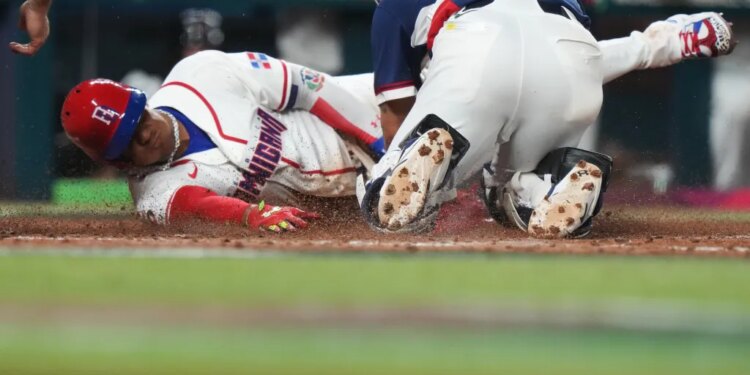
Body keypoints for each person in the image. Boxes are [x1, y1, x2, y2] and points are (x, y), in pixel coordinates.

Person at [360, 0, 736, 237]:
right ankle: (545, 186)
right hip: (571, 61)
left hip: (474, 54)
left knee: (388, 202)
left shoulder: (393, 5)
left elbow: (395, 109)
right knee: (509, 189)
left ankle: (424, 176)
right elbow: (569, 55)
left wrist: (444, 183)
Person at [61, 51, 384, 232]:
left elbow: (308, 86)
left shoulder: (201, 74)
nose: (144, 134)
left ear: (142, 101)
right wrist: (250, 215)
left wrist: (383, 143)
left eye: (139, 119)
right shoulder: (154, 195)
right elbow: (198, 205)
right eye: (129, 142)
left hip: (366, 114)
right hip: (355, 195)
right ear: (116, 162)